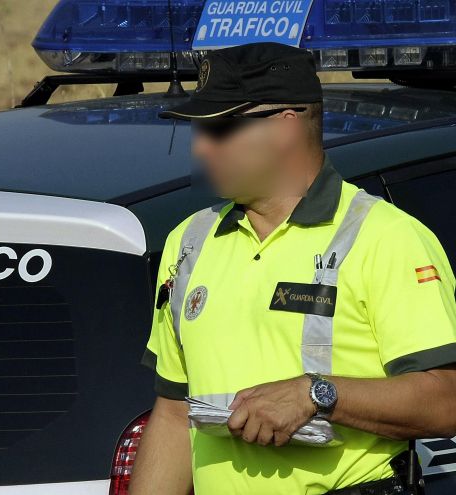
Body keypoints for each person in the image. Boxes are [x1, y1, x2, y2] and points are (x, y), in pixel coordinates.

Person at [131, 42, 456, 495]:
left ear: (286, 125)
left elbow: (446, 400)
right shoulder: (189, 241)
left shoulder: (385, 237)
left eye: (220, 128)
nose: (201, 147)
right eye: (197, 130)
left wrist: (316, 395)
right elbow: (171, 413)